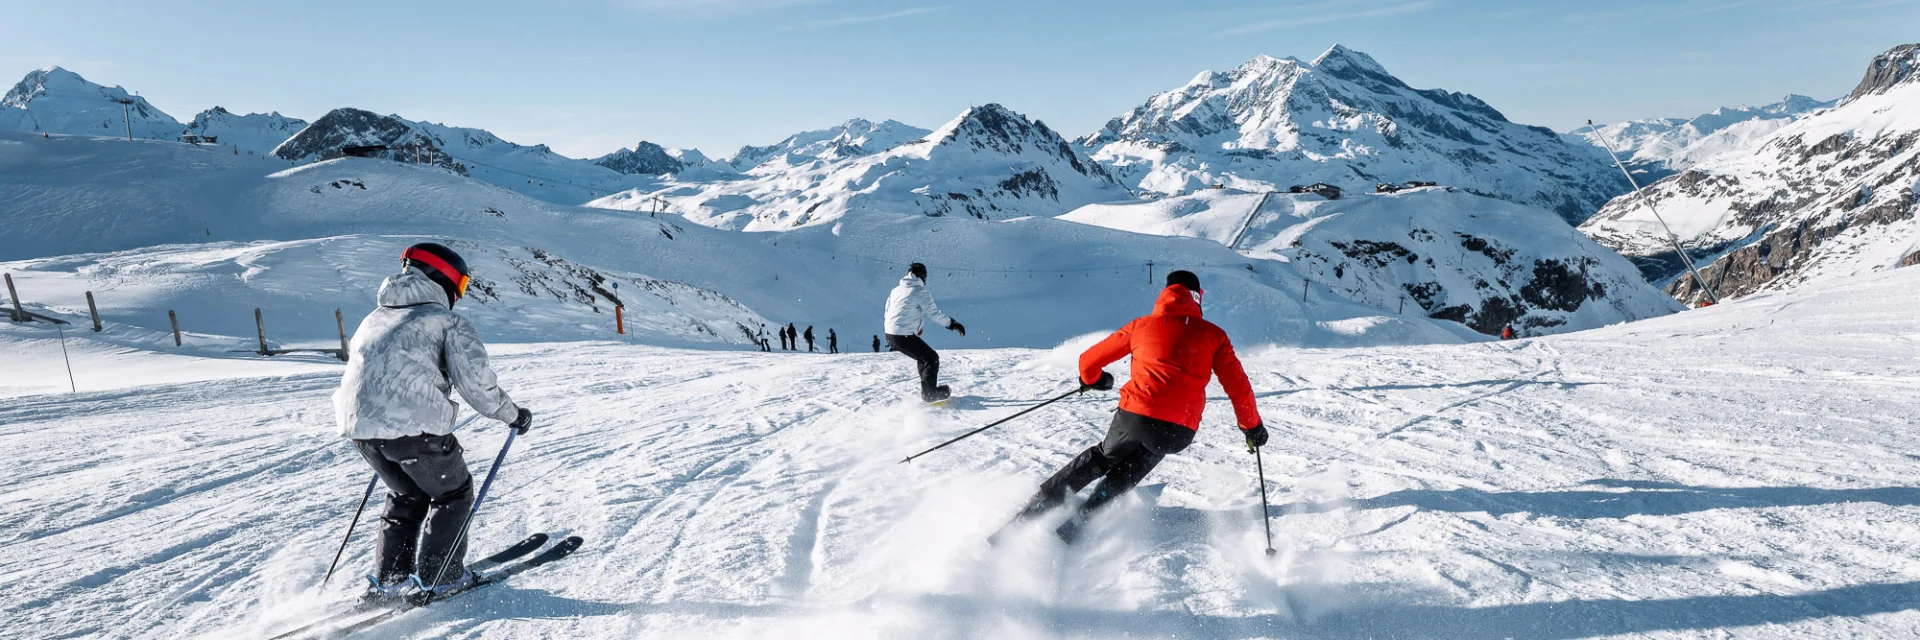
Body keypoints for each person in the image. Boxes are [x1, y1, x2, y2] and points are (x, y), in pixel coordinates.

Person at [1000, 271, 1265, 544]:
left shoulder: (1143, 326)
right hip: (1179, 430)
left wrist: (1095, 380)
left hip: (1135, 416)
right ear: (1198, 297)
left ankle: (1035, 510)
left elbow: (1088, 361)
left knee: (1104, 456)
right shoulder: (1214, 335)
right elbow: (1239, 388)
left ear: (1165, 294)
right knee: (1150, 451)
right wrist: (1252, 426)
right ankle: (1083, 520)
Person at [334, 242, 534, 599]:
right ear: (443, 277)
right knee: (453, 494)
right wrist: (513, 415)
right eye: (461, 285)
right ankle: (440, 578)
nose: (459, 293)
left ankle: (391, 578)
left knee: (406, 493)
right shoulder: (447, 321)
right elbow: (475, 383)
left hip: (361, 429)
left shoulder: (374, 317)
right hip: (415, 432)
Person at [884, 262, 965, 402]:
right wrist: (953, 324)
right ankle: (929, 394)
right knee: (931, 358)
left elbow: (890, 312)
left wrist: (913, 329)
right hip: (902, 335)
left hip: (890, 334)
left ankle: (928, 391)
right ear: (923, 277)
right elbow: (934, 314)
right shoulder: (920, 292)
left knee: (923, 357)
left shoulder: (896, 290)